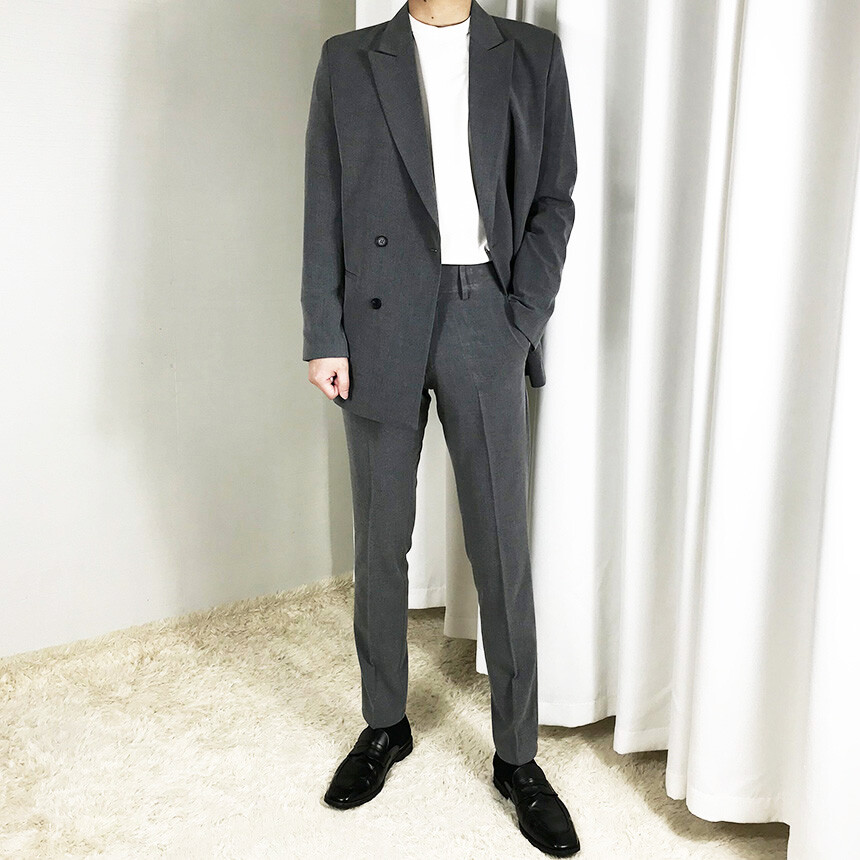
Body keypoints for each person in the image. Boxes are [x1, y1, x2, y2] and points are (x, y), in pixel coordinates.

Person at [301, 0, 579, 854]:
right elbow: (323, 200)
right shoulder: (349, 59)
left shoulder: (530, 54)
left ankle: (518, 757)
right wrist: (324, 332)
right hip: (377, 323)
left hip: (484, 315)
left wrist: (520, 317)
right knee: (381, 541)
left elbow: (554, 199)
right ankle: (384, 723)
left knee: (500, 547)